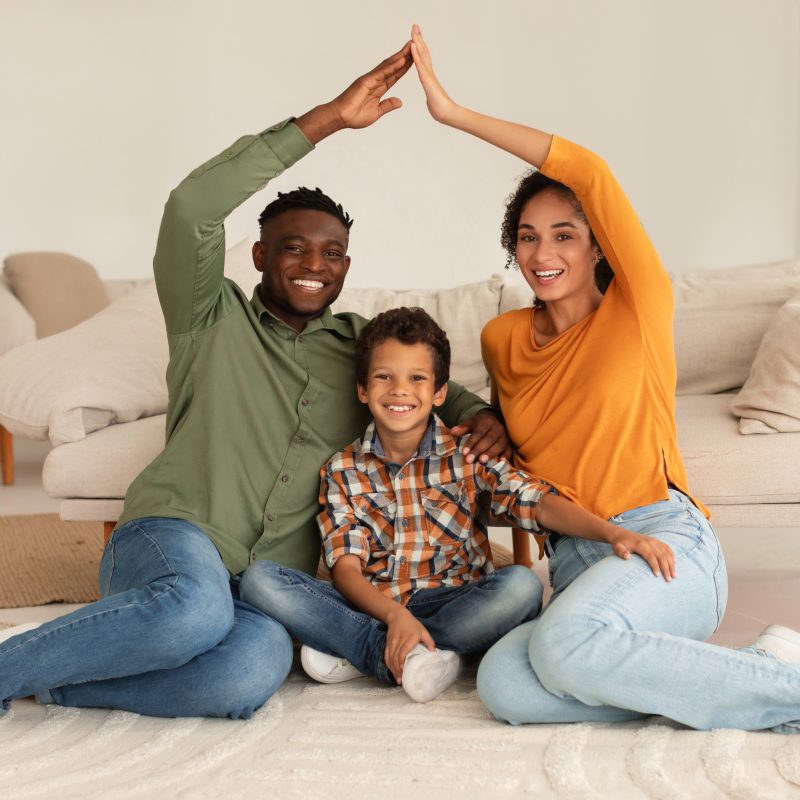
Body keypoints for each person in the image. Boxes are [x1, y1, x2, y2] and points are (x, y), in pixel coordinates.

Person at [0, 43, 510, 721]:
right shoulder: (208, 316)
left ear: (346, 266)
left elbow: (427, 380)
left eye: (331, 254)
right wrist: (327, 120)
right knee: (192, 611)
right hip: (173, 535)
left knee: (247, 676)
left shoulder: (362, 349)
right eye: (293, 247)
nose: (312, 265)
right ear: (261, 254)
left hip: (269, 582)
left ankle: (55, 681)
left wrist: (483, 416)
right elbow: (190, 208)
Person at [409, 24, 800, 732]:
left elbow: (588, 169)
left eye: (564, 233)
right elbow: (535, 447)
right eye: (527, 236)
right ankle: (746, 673)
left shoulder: (637, 307)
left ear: (596, 246)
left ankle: (784, 690)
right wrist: (493, 421)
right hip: (581, 560)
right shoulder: (501, 338)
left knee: (562, 649)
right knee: (504, 686)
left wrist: (453, 114)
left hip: (665, 543)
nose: (543, 251)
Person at [240, 307, 675, 703]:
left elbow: (536, 502)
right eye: (384, 377)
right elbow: (345, 570)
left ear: (440, 392)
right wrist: (393, 615)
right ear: (362, 389)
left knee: (521, 588)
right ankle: (400, 650)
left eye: (416, 379)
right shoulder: (342, 468)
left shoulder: (465, 456)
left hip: (453, 603)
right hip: (375, 603)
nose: (399, 391)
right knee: (260, 580)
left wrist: (614, 532)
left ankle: (367, 649)